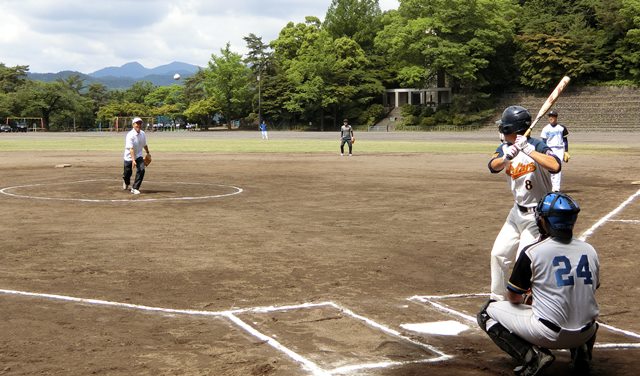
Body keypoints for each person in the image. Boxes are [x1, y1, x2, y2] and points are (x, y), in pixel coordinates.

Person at [478, 192, 599, 376]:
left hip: (549, 334)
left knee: (487, 312)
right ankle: (581, 354)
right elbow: (591, 288)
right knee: (581, 306)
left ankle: (532, 356)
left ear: (545, 221)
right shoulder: (590, 250)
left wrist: (530, 298)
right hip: (586, 332)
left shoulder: (533, 252)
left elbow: (514, 298)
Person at [488, 105, 561, 301]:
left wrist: (528, 149)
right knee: (498, 254)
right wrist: (506, 158)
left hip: (537, 217)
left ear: (509, 129)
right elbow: (492, 166)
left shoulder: (536, 145)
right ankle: (497, 299)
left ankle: (529, 298)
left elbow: (555, 165)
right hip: (515, 214)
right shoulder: (504, 147)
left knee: (525, 259)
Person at [540, 110, 569, 192]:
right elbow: (543, 142)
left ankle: (556, 188)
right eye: (549, 116)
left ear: (556, 117)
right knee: (549, 168)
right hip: (549, 149)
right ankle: (549, 186)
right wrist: (543, 151)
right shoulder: (545, 128)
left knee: (557, 168)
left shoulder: (561, 128)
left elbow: (565, 140)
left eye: (552, 116)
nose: (551, 118)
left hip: (559, 149)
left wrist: (566, 151)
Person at [122, 117, 150, 195]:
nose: (139, 125)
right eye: (137, 123)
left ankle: (135, 188)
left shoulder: (143, 134)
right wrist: (133, 160)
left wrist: (148, 152)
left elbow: (144, 144)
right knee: (127, 173)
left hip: (138, 155)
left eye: (140, 123)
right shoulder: (130, 135)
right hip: (129, 157)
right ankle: (126, 181)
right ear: (133, 125)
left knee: (141, 169)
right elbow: (131, 149)